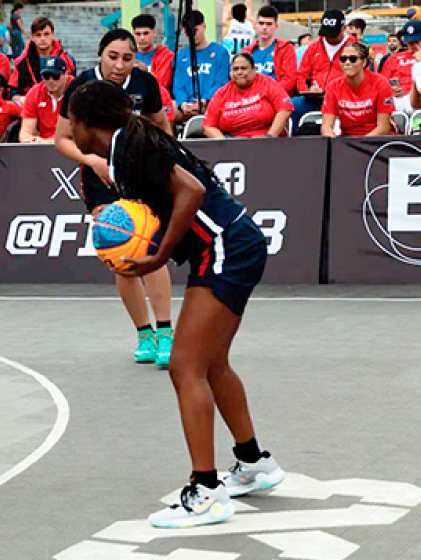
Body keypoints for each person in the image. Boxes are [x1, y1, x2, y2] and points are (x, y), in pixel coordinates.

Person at [66, 80, 285, 528]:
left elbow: (192, 191)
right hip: (233, 244)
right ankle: (254, 462)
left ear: (89, 124)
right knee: (212, 362)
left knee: (186, 366)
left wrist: (161, 254)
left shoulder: (130, 147)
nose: (68, 128)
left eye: (71, 120)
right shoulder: (129, 141)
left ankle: (205, 491)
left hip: (226, 248)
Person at [55, 29, 175, 367]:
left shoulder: (145, 84)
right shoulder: (80, 87)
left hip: (140, 177)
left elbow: (162, 124)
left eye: (127, 57)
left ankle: (166, 333)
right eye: (113, 56)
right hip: (100, 181)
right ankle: (145, 335)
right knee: (121, 253)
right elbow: (61, 139)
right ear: (100, 56)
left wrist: (165, 158)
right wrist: (92, 160)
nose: (120, 65)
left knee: (149, 246)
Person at [203, 53, 293, 138]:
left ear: (253, 69)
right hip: (233, 143)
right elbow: (208, 126)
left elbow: (285, 109)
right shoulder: (221, 93)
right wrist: (225, 144)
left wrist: (269, 136)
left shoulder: (267, 83)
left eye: (243, 68)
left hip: (267, 140)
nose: (239, 72)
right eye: (235, 69)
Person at [322, 42, 395, 137]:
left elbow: (383, 128)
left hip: (377, 140)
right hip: (348, 141)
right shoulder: (333, 86)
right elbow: (326, 127)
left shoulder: (381, 84)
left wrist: (359, 145)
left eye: (353, 59)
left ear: (364, 62)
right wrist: (331, 140)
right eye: (343, 59)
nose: (347, 63)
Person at [293, 10, 351, 127]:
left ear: (343, 28)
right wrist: (307, 90)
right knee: (288, 107)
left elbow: (365, 76)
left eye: (332, 34)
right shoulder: (313, 47)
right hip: (314, 99)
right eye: (326, 34)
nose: (329, 38)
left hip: (345, 99)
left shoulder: (355, 47)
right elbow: (301, 75)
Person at [173, 10, 232, 121]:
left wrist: (205, 100)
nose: (192, 35)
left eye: (195, 30)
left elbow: (222, 82)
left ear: (204, 27)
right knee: (168, 110)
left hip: (213, 104)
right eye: (188, 32)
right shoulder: (181, 56)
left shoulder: (220, 52)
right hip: (187, 107)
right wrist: (183, 103)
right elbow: (178, 85)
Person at [9, 17, 77, 101]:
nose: (42, 38)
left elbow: (74, 88)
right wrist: (24, 100)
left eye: (46, 34)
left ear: (53, 35)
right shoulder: (21, 62)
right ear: (32, 37)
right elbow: (13, 92)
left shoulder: (67, 60)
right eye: (38, 35)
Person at [379, 20, 421, 114]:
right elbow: (380, 85)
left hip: (419, 100)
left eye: (416, 41)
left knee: (418, 67)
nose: (413, 46)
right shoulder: (394, 58)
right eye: (410, 42)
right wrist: (392, 90)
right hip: (399, 99)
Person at [243, 5, 297, 95]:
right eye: (261, 23)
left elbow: (289, 80)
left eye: (269, 24)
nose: (264, 27)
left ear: (276, 26)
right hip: (250, 98)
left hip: (276, 97)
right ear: (256, 25)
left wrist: (268, 93)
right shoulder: (246, 52)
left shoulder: (286, 49)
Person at [20, 56, 72, 143]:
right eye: (46, 76)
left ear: (66, 74)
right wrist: (32, 140)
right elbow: (25, 133)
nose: (51, 81)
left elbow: (79, 135)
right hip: (42, 147)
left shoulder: (77, 90)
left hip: (71, 146)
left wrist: (47, 142)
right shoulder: (35, 92)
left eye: (56, 76)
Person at [132, 14, 175, 91]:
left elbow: (162, 84)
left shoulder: (166, 55)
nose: (142, 38)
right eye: (138, 34)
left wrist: (145, 72)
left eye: (146, 33)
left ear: (154, 33)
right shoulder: (130, 56)